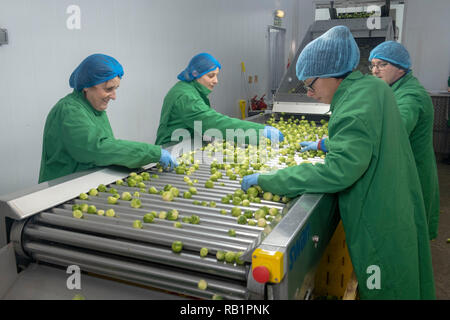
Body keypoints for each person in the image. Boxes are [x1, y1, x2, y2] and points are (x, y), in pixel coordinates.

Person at [241, 26, 435, 299]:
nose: (308, 92)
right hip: (397, 206)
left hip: (379, 224)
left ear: (332, 74)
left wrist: (271, 179)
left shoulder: (354, 108)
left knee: (384, 288)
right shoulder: (371, 89)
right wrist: (326, 144)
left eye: (310, 84)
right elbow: (366, 141)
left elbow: (338, 172)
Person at [39, 54, 177, 183]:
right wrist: (153, 153)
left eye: (116, 89)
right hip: (63, 189)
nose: (114, 96)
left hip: (85, 182)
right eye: (108, 89)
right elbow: (98, 149)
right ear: (87, 86)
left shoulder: (94, 107)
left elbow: (108, 145)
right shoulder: (69, 111)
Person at [369, 41, 440, 240]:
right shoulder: (395, 89)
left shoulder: (410, 95)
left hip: (412, 174)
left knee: (409, 241)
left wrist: (331, 144)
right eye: (373, 65)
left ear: (400, 67)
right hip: (403, 170)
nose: (375, 70)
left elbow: (392, 129)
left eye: (382, 65)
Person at [155, 53, 283, 147]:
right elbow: (212, 122)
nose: (216, 81)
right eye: (211, 76)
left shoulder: (190, 90)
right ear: (195, 74)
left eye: (216, 75)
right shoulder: (185, 96)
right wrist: (259, 131)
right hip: (173, 149)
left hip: (187, 144)